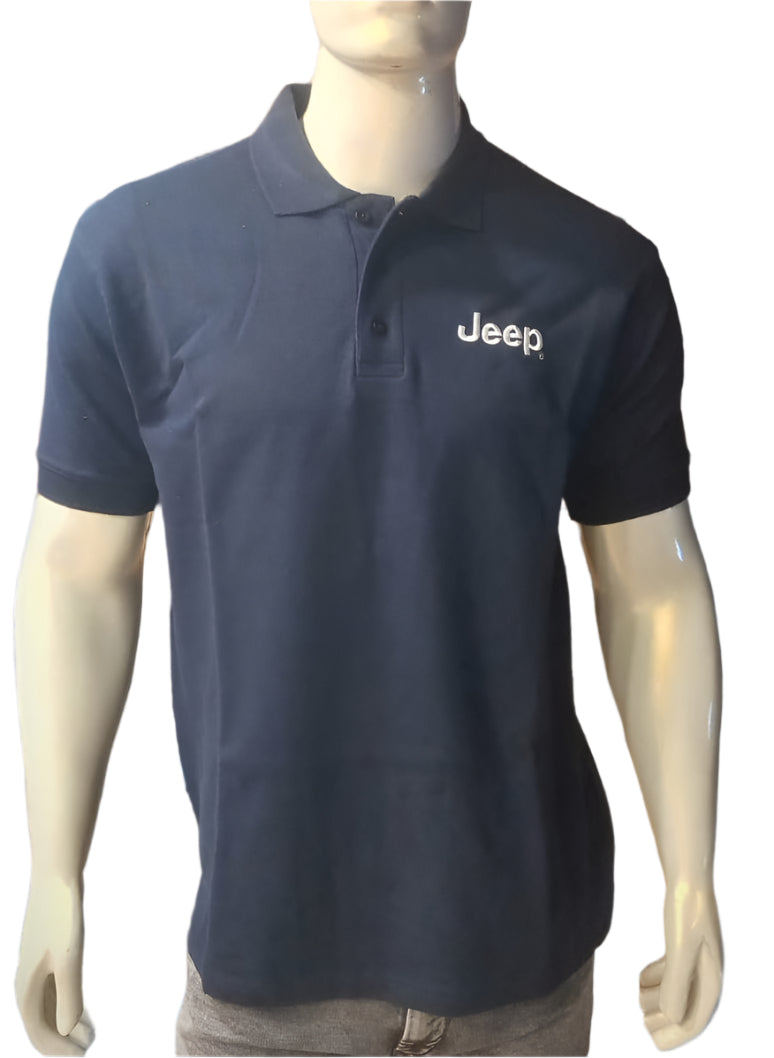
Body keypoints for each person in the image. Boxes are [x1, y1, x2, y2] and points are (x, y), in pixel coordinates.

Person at [14, 2, 723, 1055]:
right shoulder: (139, 255)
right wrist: (54, 873)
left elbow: (651, 585)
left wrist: (691, 874)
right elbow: (77, 570)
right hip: (263, 977)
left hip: (522, 978)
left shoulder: (595, 271)